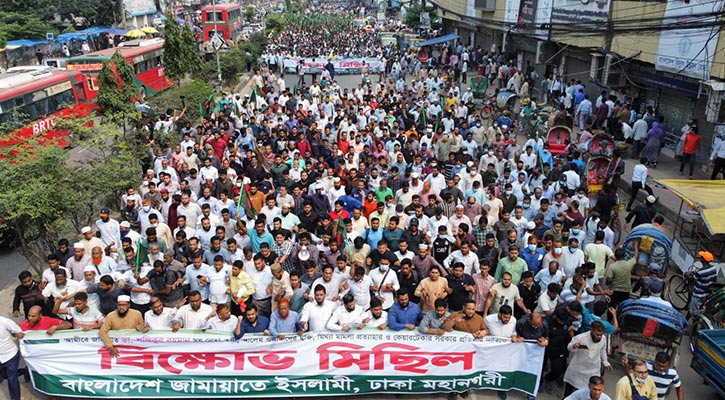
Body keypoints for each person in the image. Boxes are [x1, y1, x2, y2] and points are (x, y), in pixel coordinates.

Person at [563, 321, 612, 396]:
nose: (599, 337)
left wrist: (605, 362)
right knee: (570, 389)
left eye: (600, 335)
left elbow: (602, 350)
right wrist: (574, 346)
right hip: (578, 369)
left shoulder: (603, 339)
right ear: (591, 330)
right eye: (597, 334)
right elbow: (569, 347)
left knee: (589, 391)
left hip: (593, 370)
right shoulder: (581, 337)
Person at [0, 316, 24, 400]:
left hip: (10, 355)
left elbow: (18, 332)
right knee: (5, 375)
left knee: (12, 379)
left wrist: (17, 334)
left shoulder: (4, 321)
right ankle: (24, 371)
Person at [689, 250, 718, 317]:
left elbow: (692, 279)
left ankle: (694, 325)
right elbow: (715, 279)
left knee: (693, 313)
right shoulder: (713, 268)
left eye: (701, 257)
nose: (700, 258)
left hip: (698, 294)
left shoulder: (700, 272)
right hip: (706, 293)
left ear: (703, 260)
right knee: (697, 307)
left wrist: (686, 275)